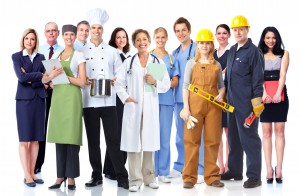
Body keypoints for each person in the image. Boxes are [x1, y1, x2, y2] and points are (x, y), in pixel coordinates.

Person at [115, 29, 170, 192]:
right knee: (133, 144)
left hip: (150, 107)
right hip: (133, 108)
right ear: (134, 43)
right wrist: (126, 98)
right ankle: (134, 180)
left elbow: (166, 85)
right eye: (138, 40)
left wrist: (154, 82)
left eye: (144, 39)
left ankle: (149, 177)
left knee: (149, 142)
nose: (142, 43)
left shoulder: (157, 62)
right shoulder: (129, 62)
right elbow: (118, 84)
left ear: (149, 41)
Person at [79, 8, 129, 189]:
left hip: (109, 102)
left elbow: (120, 73)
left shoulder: (112, 51)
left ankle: (122, 177)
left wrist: (116, 79)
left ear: (102, 30)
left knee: (113, 140)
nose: (96, 30)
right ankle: (96, 175)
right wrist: (84, 80)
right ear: (90, 29)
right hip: (89, 101)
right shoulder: (81, 51)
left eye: (99, 28)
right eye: (93, 27)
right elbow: (79, 75)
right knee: (93, 141)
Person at [12, 28, 62, 187]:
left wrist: (39, 78)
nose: (29, 41)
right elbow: (21, 78)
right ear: (23, 40)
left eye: (32, 39)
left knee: (36, 140)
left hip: (40, 100)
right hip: (24, 101)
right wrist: (41, 77)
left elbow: (45, 78)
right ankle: (26, 174)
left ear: (36, 42)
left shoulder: (41, 57)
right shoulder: (16, 57)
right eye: (27, 38)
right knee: (24, 139)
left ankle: (33, 172)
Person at [221, 15, 265, 188]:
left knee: (250, 138)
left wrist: (256, 102)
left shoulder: (254, 51)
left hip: (247, 104)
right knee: (233, 138)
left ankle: (254, 176)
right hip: (231, 104)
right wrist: (224, 93)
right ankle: (235, 171)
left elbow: (258, 78)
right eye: (235, 29)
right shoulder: (232, 50)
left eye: (241, 29)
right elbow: (228, 75)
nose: (238, 32)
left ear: (247, 29)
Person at [180, 29, 225, 188]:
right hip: (194, 105)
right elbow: (185, 87)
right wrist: (186, 109)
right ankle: (189, 177)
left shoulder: (217, 64)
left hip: (214, 107)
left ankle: (212, 176)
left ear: (211, 45)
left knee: (213, 140)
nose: (204, 46)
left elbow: (221, 86)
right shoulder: (191, 63)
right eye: (201, 43)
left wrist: (221, 94)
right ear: (197, 44)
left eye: (207, 43)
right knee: (191, 141)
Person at [47, 24, 86, 191]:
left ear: (75, 36)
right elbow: (45, 79)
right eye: (66, 35)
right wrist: (51, 76)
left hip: (72, 99)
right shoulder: (56, 55)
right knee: (60, 138)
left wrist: (65, 77)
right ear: (62, 36)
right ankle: (59, 176)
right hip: (58, 100)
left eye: (72, 34)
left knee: (71, 138)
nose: (69, 37)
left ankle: (71, 177)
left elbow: (82, 82)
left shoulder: (79, 55)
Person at [170, 17, 204, 183]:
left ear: (190, 31)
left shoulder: (199, 49)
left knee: (197, 134)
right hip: (178, 99)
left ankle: (200, 168)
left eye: (183, 30)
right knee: (180, 134)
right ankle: (180, 165)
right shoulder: (175, 53)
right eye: (177, 30)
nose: (180, 33)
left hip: (195, 98)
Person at [258, 26, 289, 184]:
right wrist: (263, 93)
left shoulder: (284, 53)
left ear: (277, 39)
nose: (271, 40)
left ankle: (280, 168)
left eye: (274, 37)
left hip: (279, 95)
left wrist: (278, 92)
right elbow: (258, 75)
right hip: (264, 95)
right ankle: (269, 168)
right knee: (266, 132)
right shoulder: (259, 54)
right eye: (268, 37)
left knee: (280, 131)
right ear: (264, 39)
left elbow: (282, 74)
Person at [150, 27, 179, 183]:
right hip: (151, 100)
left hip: (167, 101)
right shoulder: (148, 56)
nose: (160, 40)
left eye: (163, 37)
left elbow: (175, 80)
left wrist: (167, 83)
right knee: (152, 135)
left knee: (165, 137)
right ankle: (152, 171)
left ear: (167, 38)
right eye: (157, 37)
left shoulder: (171, 57)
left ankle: (163, 172)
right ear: (154, 38)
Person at [36, 22, 64, 174]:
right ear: (44, 33)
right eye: (48, 31)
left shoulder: (64, 50)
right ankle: (38, 162)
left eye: (54, 30)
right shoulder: (39, 51)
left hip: (60, 91)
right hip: (42, 91)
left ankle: (63, 168)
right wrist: (45, 83)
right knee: (42, 127)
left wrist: (55, 83)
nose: (51, 33)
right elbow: (36, 71)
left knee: (61, 127)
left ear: (58, 32)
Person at [103, 27, 131, 181]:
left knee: (125, 132)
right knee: (117, 133)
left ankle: (117, 167)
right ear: (114, 39)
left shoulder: (128, 56)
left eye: (124, 37)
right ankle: (111, 168)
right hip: (116, 98)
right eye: (118, 37)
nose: (121, 40)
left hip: (126, 97)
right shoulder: (111, 54)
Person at [213, 24, 231, 174]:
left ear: (229, 35)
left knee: (229, 133)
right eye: (219, 33)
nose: (221, 36)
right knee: (217, 133)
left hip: (229, 97)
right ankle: (220, 166)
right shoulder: (212, 53)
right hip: (214, 98)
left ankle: (229, 165)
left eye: (224, 33)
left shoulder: (232, 52)